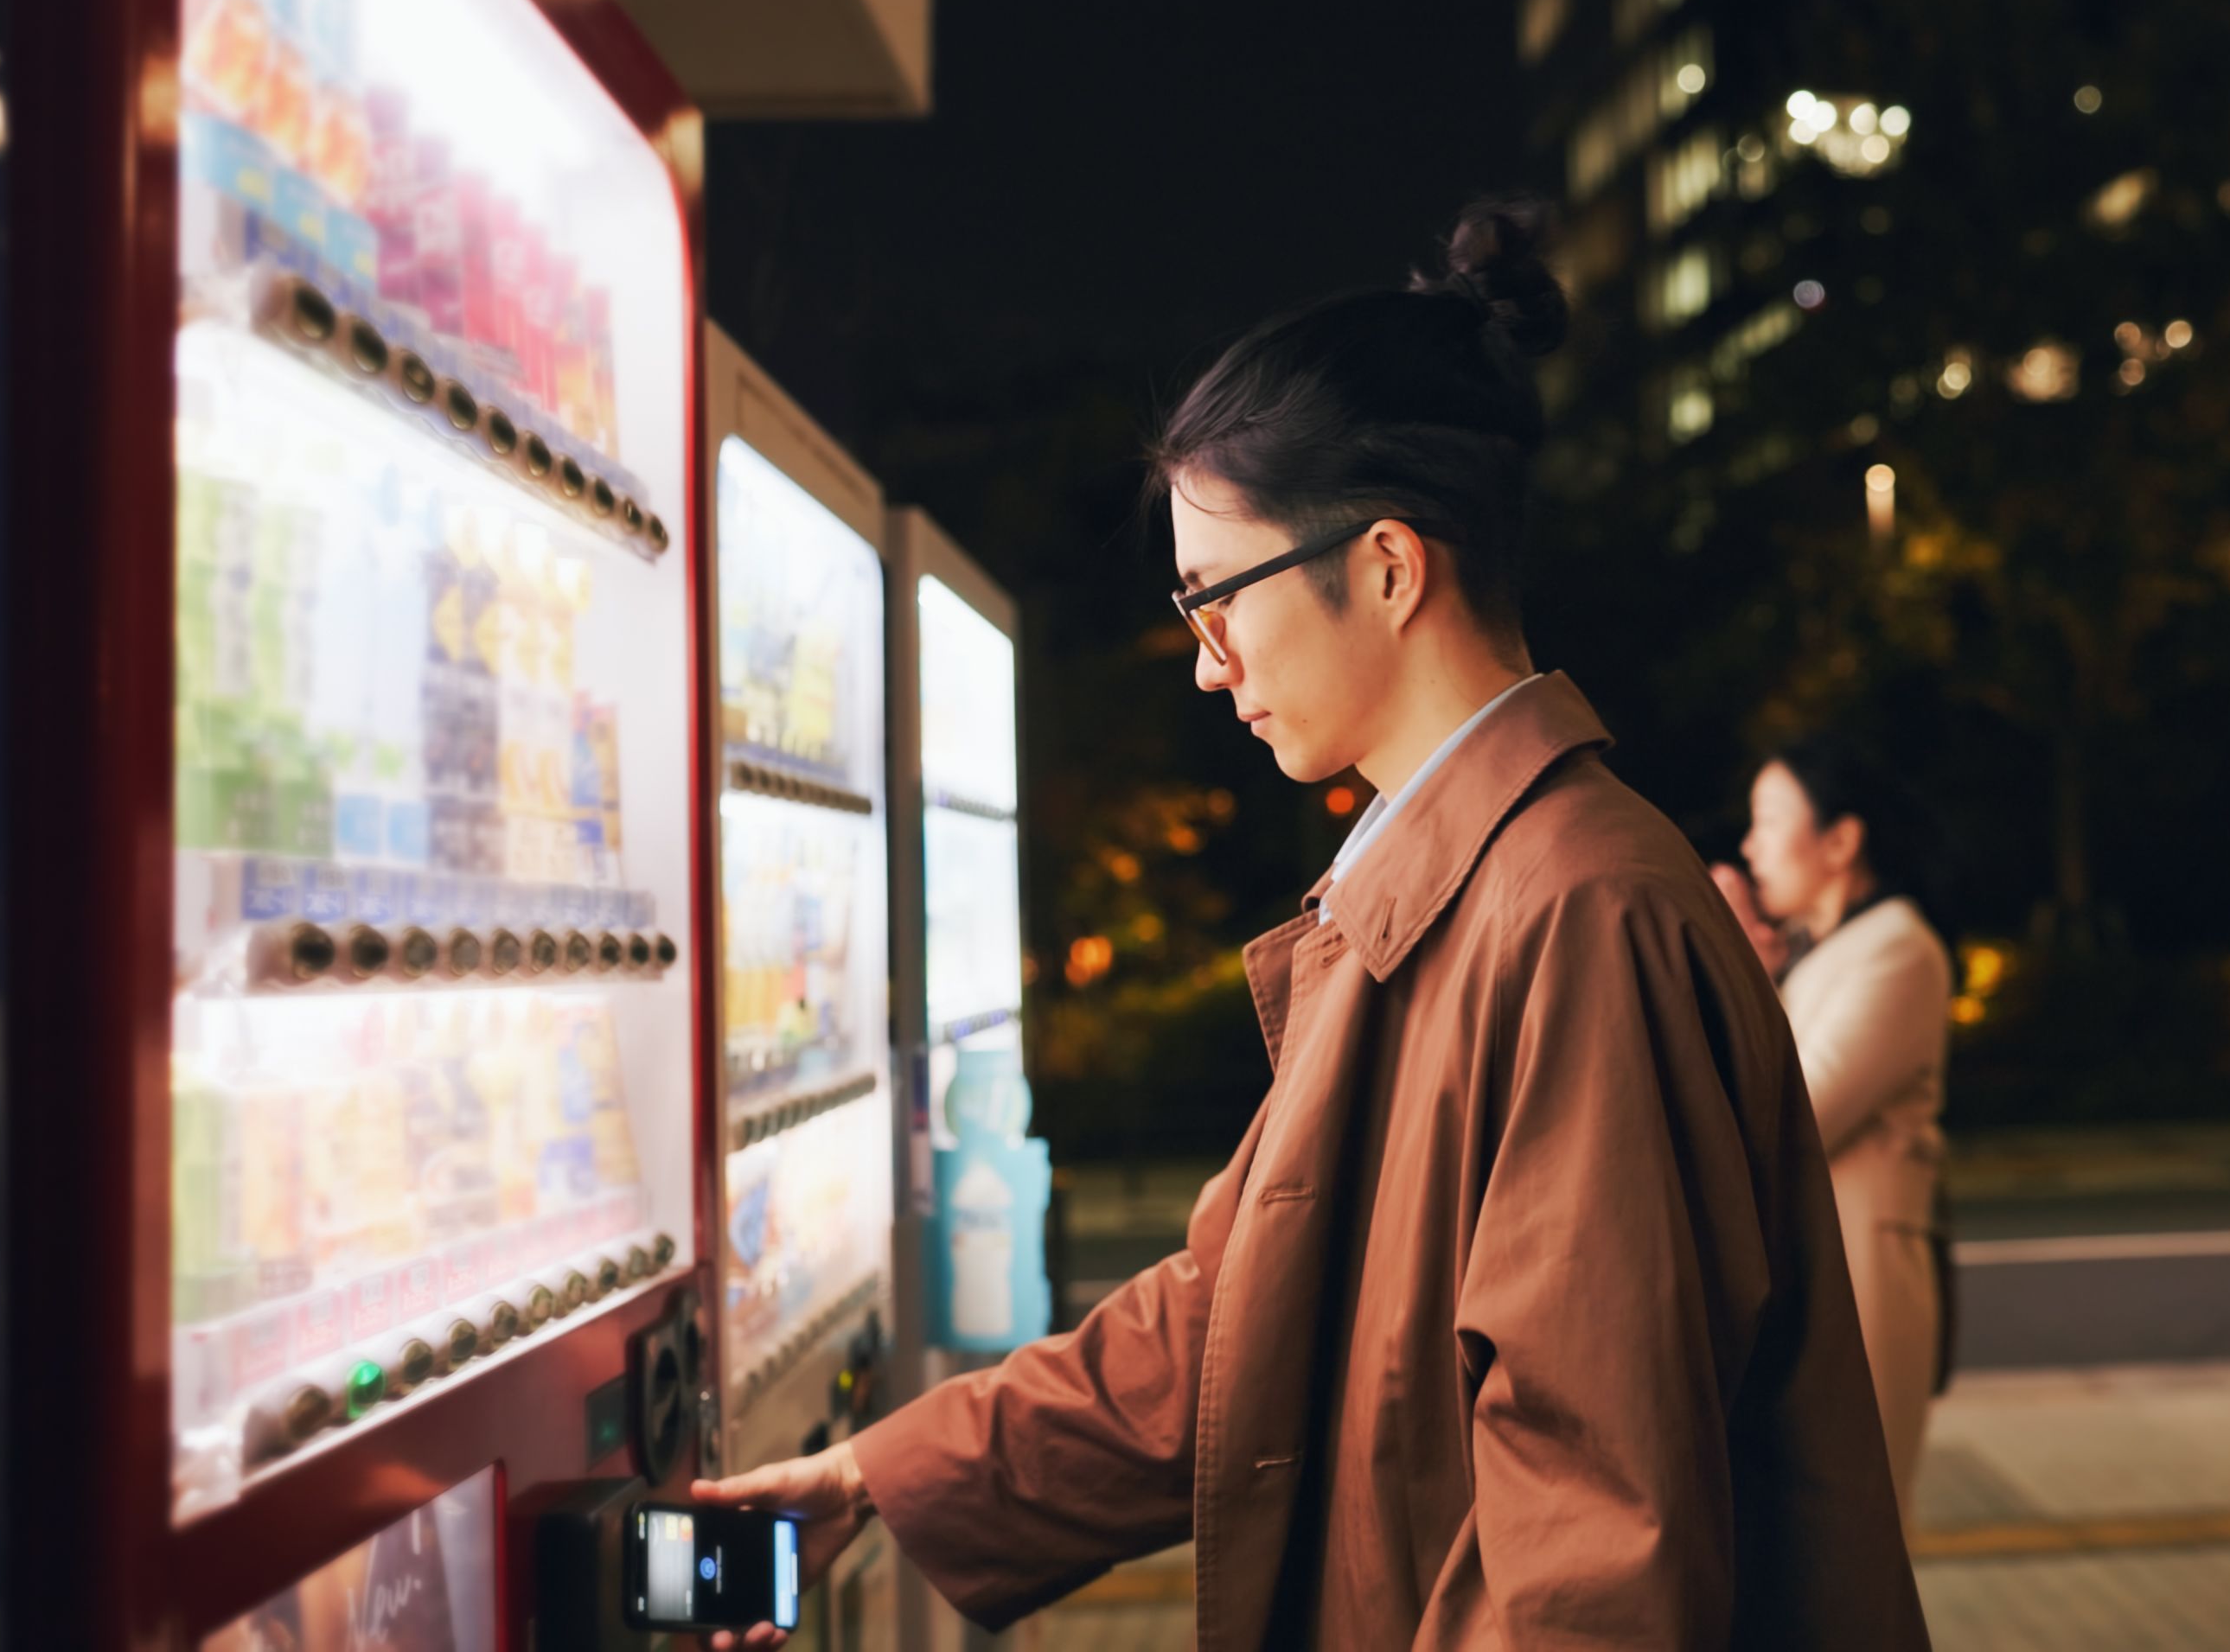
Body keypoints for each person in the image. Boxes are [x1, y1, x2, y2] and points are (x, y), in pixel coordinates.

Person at [693, 201, 1927, 1651]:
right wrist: (879, 1476)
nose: (1207, 667)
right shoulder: (1442, 883)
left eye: (1218, 599)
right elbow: (1236, 1326)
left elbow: (1594, 1555)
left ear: (1391, 566)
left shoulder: (1577, 914)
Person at [1713, 740, 1952, 1521]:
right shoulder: (1832, 953)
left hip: (1863, 1287)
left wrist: (1737, 975)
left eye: (1769, 820)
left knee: (1852, 1542)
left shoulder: (1897, 951)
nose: (1750, 847)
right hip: (1822, 1283)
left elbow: (1793, 1116)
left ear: (1841, 841)